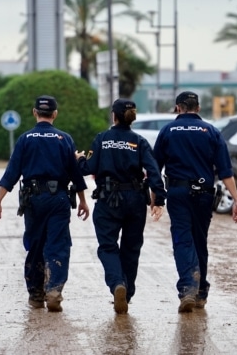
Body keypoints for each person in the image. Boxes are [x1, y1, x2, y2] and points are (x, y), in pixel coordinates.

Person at [0, 95, 89, 312]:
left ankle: (36, 295)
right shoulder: (65, 139)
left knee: (35, 244)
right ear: (55, 114)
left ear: (35, 113)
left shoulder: (25, 139)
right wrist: (82, 201)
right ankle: (54, 290)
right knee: (58, 244)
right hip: (59, 200)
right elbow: (76, 174)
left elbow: (11, 173)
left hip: (33, 200)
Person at [153, 91, 237, 313]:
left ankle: (188, 288)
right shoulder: (211, 131)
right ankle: (201, 292)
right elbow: (225, 171)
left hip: (177, 192)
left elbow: (155, 167)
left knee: (182, 239)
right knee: (200, 241)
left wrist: (156, 196)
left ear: (178, 108)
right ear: (198, 108)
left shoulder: (168, 131)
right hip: (204, 194)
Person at [75, 98, 166, 314]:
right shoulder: (140, 141)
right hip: (135, 199)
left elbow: (88, 168)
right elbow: (154, 171)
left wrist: (78, 159)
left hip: (108, 200)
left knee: (108, 246)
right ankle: (128, 292)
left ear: (113, 116)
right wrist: (159, 199)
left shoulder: (102, 139)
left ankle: (118, 284)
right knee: (131, 248)